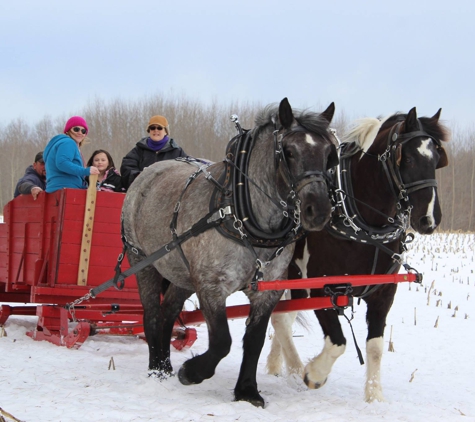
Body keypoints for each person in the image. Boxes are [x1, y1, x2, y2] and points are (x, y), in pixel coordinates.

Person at [120, 115, 187, 190]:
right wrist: (139, 176)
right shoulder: (139, 149)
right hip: (143, 192)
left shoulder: (177, 151)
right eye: (152, 128)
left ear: (166, 131)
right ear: (149, 131)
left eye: (159, 128)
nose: (156, 130)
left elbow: (186, 171)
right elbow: (127, 167)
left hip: (168, 194)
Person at [43, 116, 100, 193]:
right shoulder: (68, 143)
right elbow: (62, 163)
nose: (80, 133)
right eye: (76, 129)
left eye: (83, 131)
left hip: (55, 188)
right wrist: (85, 171)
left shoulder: (61, 143)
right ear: (68, 130)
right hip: (67, 188)